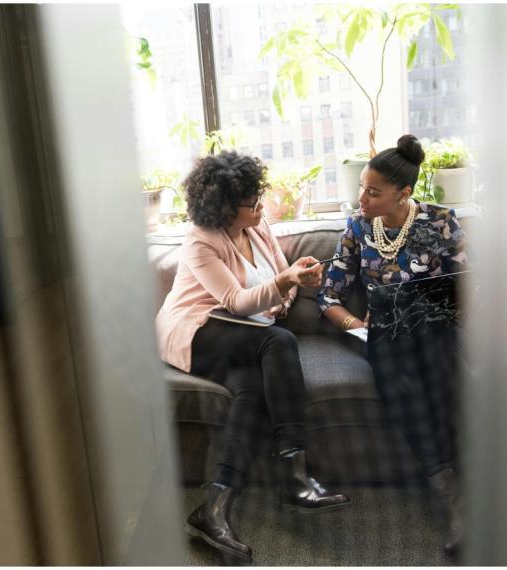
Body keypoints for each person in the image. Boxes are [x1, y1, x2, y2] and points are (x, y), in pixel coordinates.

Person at [156, 150, 350, 563]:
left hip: (242, 332)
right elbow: (235, 300)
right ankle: (297, 476)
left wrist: (291, 287)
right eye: (252, 202)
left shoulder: (259, 229)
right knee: (278, 342)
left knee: (252, 389)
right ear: (226, 207)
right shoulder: (200, 241)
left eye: (259, 198)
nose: (261, 206)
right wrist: (282, 286)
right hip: (197, 327)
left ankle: (213, 508)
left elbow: (283, 280)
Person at [317, 134, 468, 556]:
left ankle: (464, 487)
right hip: (385, 336)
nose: (361, 197)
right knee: (396, 367)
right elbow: (328, 296)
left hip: (437, 332)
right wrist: (357, 324)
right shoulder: (357, 226)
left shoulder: (441, 221)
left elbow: (465, 291)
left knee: (441, 367)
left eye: (373, 191)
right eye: (362, 187)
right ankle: (450, 494)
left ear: (405, 193)